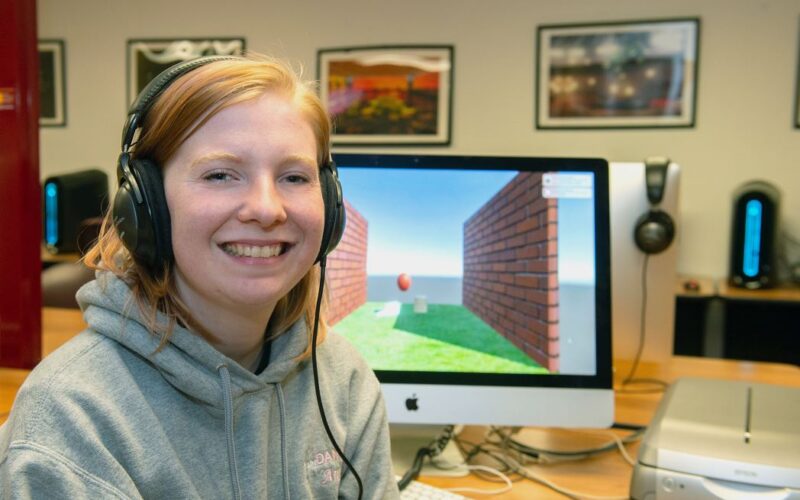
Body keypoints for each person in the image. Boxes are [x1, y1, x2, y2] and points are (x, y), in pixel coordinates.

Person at [0, 54, 400, 499]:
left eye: (293, 176)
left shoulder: (341, 380)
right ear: (146, 205)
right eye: (220, 174)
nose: (267, 209)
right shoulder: (73, 420)